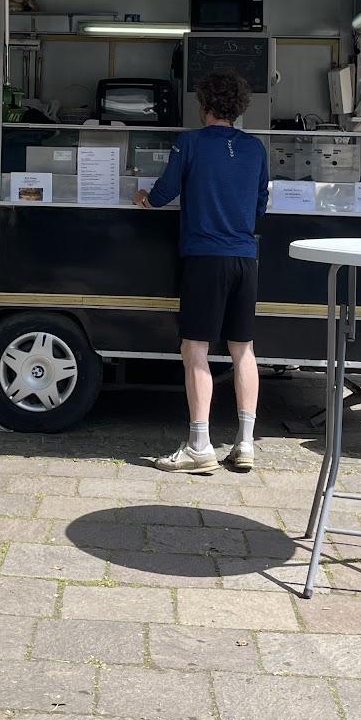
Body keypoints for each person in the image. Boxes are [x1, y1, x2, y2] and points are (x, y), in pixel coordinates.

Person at [132, 69, 269, 474]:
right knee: (243, 348)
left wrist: (143, 198)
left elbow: (162, 194)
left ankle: (199, 445)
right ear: (239, 107)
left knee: (195, 349)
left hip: (205, 258)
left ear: (204, 105)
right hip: (245, 258)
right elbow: (260, 206)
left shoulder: (189, 143)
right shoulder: (256, 149)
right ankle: (245, 444)